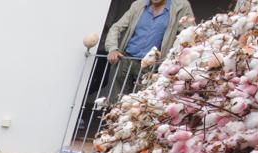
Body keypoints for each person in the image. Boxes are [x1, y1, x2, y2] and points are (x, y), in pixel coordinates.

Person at [82, 0, 195, 131]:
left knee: (144, 106)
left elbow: (189, 35)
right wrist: (113, 48)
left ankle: (134, 139)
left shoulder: (180, 6)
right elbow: (116, 27)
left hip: (153, 67)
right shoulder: (138, 5)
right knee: (118, 103)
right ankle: (113, 135)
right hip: (127, 60)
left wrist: (176, 61)